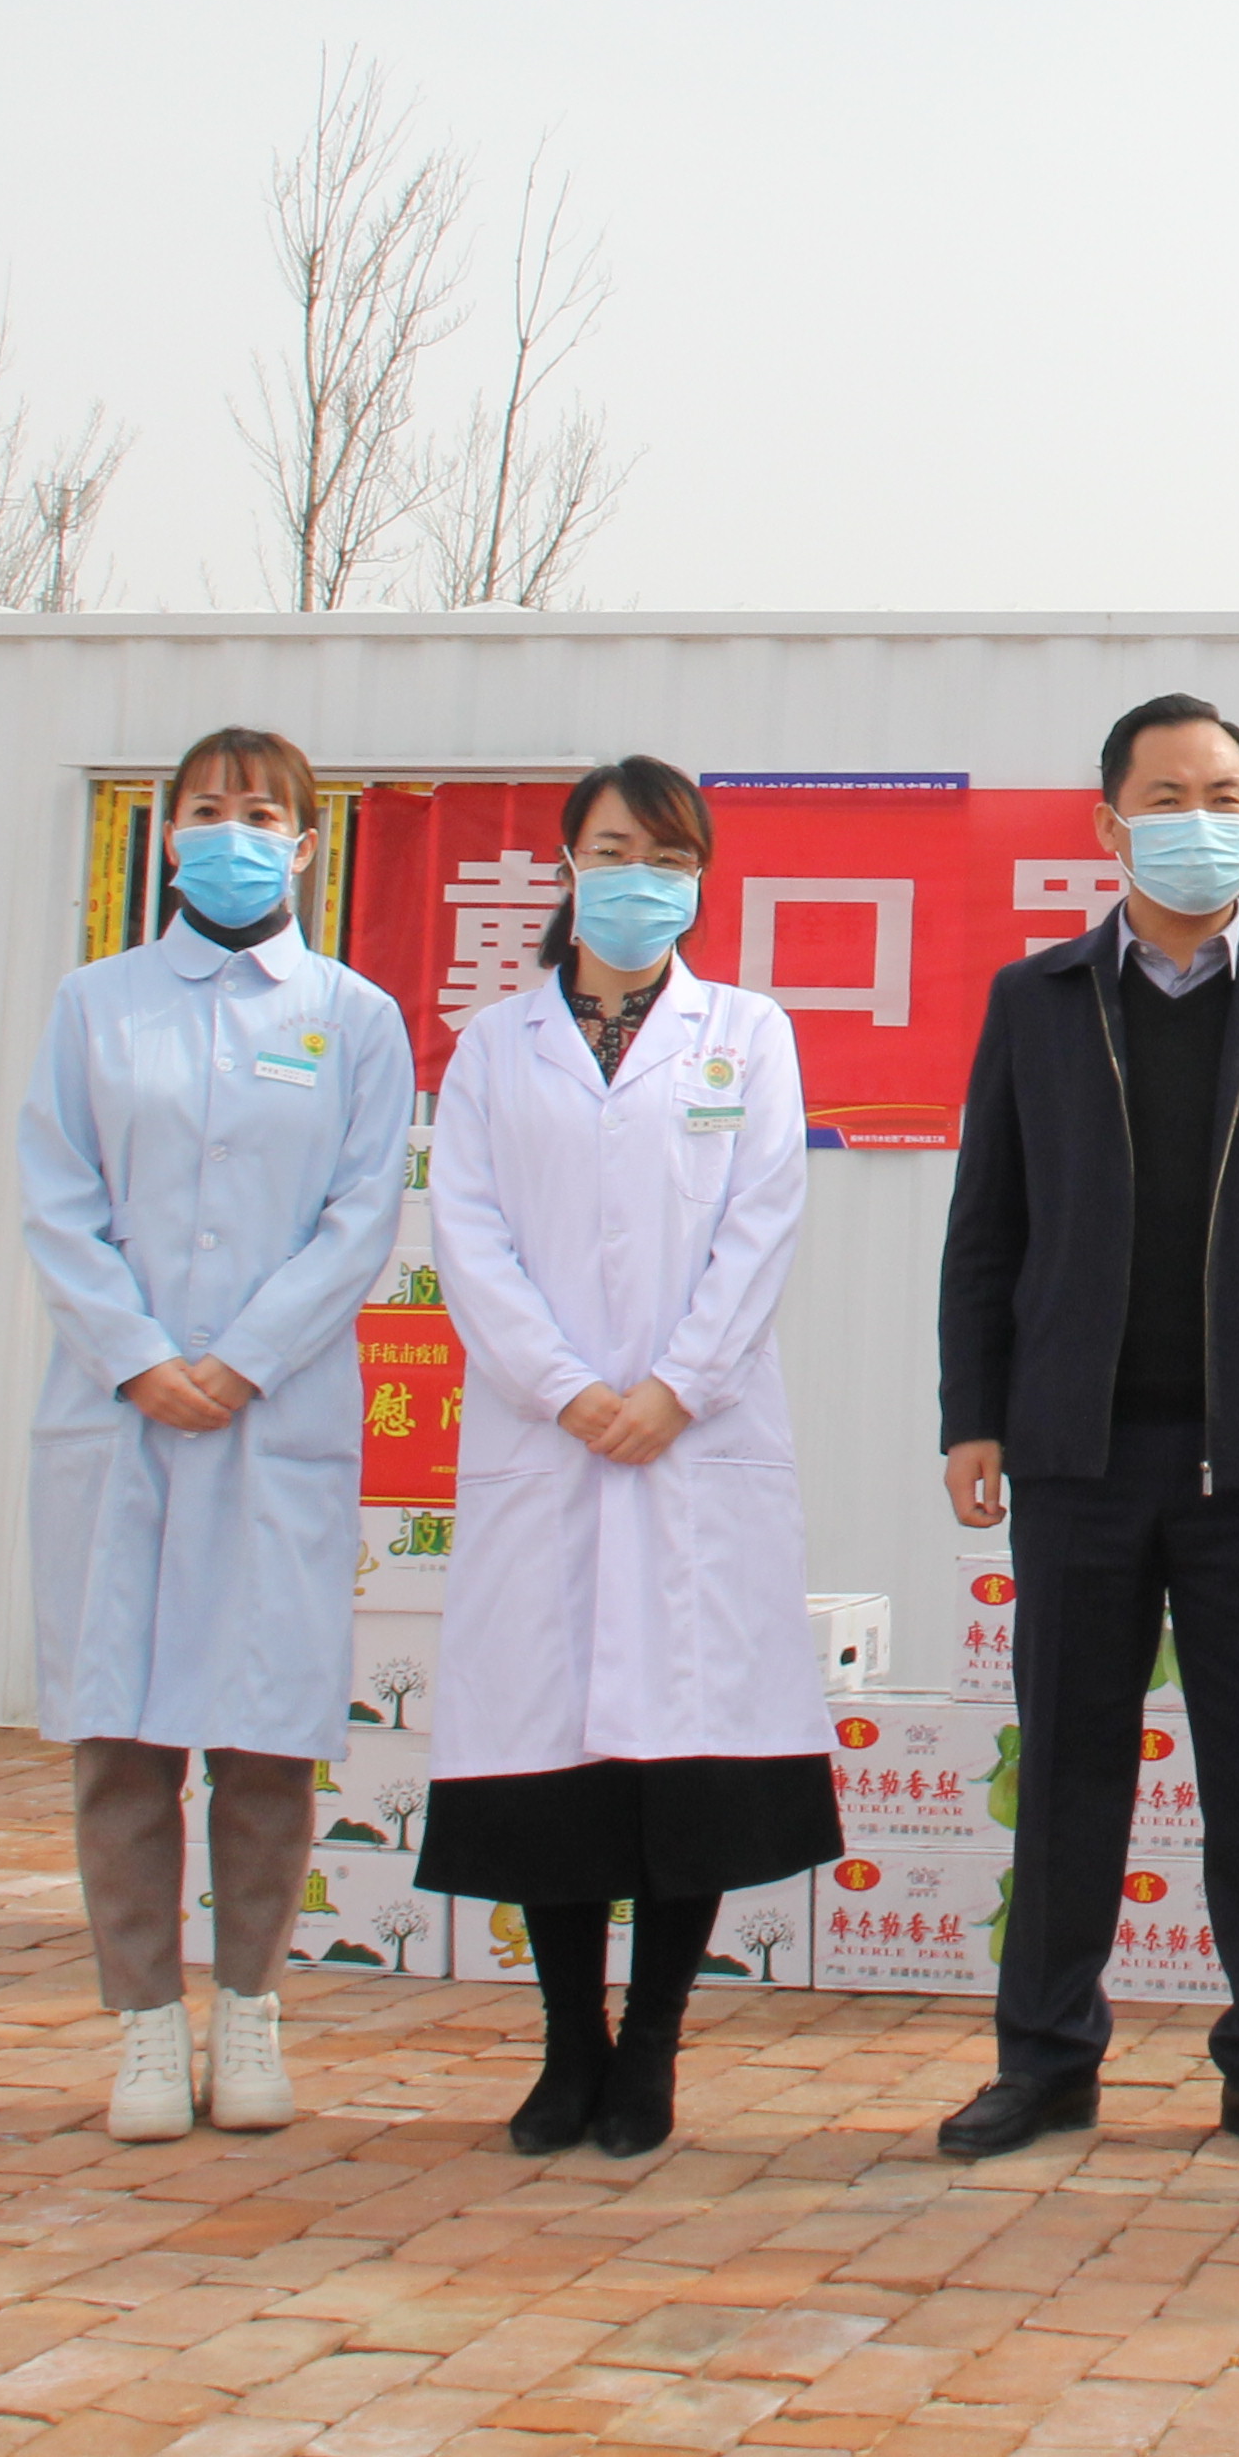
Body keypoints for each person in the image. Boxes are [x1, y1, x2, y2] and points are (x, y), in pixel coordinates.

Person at [932, 695, 1239, 2171]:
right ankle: (1045, 2060)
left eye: (1227, 795)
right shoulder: (1038, 1001)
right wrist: (972, 1414)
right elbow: (986, 1229)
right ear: (1110, 824)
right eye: (1169, 797)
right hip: (1076, 1455)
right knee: (1069, 1774)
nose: (1201, 821)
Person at [415, 754, 838, 2161]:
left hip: (694, 1443)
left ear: (699, 880)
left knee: (684, 1763)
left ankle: (651, 2044)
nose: (637, 878)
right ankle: (568, 2048)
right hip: (547, 1442)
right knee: (554, 1766)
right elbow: (469, 1233)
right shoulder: (496, 1046)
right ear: (566, 865)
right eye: (612, 850)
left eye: (666, 856)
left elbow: (763, 1223)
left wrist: (675, 1388)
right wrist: (563, 1388)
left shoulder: (747, 1034)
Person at [16, 725, 417, 2142]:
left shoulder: (352, 1017)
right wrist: (139, 1358)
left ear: (304, 845)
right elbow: (59, 1200)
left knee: (263, 1735)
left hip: (273, 1415)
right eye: (206, 809)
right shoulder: (97, 1004)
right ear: (169, 835)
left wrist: (241, 1362)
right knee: (120, 1739)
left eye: (261, 813)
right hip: (117, 1412)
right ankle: (142, 2026)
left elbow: (360, 1216)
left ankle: (248, 2009)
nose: (232, 832)